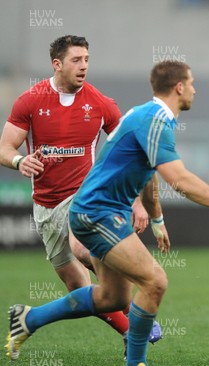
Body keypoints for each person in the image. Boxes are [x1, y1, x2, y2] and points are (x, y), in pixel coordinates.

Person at [6, 60, 209, 366]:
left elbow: (151, 173)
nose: (196, 89)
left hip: (97, 210)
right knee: (154, 280)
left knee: (112, 297)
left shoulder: (151, 117)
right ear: (179, 87)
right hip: (97, 213)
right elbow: (180, 180)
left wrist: (156, 218)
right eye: (192, 83)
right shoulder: (155, 119)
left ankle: (28, 319)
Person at [0, 35, 161, 348]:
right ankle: (129, 329)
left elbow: (133, 152)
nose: (83, 66)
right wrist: (20, 161)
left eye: (86, 59)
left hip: (86, 198)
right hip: (46, 206)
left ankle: (136, 323)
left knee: (88, 250)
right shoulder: (31, 100)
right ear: (57, 64)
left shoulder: (99, 103)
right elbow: (5, 147)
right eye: (76, 60)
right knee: (78, 287)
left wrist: (140, 203)